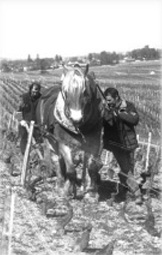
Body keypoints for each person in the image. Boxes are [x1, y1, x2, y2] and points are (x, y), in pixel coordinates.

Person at [103, 87, 142, 203]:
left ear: (116, 98)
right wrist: (109, 114)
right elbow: (107, 124)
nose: (107, 102)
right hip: (118, 145)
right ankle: (137, 194)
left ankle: (126, 192)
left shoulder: (128, 106)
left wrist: (119, 114)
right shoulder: (107, 110)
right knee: (126, 169)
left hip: (130, 144)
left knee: (129, 169)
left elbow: (134, 119)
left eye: (109, 100)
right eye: (106, 100)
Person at [17, 81, 42, 155]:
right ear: (31, 89)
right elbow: (18, 110)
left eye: (37, 90)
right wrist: (20, 120)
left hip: (36, 124)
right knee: (24, 138)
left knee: (38, 141)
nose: (35, 92)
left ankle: (36, 159)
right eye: (34, 90)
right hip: (25, 123)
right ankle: (24, 156)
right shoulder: (24, 97)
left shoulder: (40, 98)